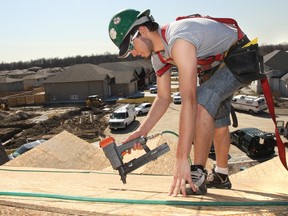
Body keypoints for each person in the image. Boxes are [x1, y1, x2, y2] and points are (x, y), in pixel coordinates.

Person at [108, 9, 253, 196]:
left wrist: (181, 157)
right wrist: (141, 131)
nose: (132, 54)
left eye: (130, 47)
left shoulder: (179, 41)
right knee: (216, 121)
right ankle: (222, 176)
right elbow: (163, 98)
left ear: (142, 31)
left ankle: (197, 171)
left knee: (202, 101)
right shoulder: (158, 57)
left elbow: (189, 101)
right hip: (215, 64)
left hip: (241, 55)